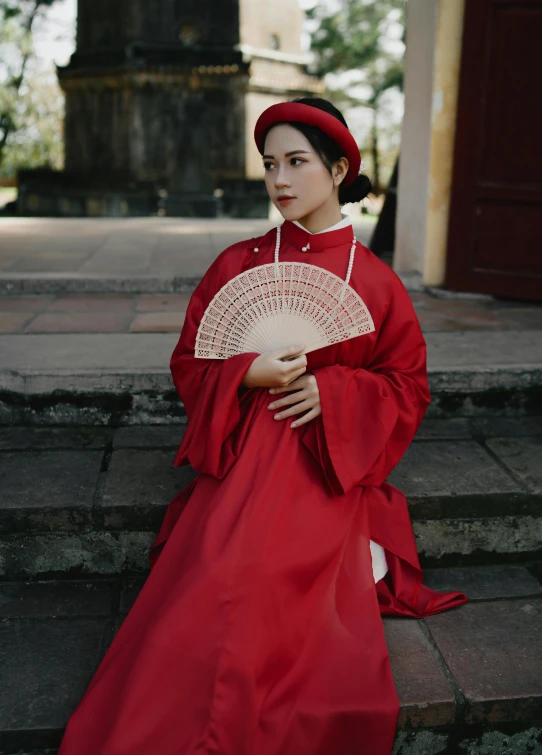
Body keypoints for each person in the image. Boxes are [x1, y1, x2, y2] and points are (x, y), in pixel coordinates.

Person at [58, 97, 468, 755]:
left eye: (297, 162)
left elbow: (407, 385)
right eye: (270, 163)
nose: (279, 179)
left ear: (338, 169)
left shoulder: (377, 282)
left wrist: (331, 391)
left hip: (323, 470)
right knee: (211, 580)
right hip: (241, 461)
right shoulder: (238, 265)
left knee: (264, 590)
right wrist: (245, 373)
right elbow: (191, 359)